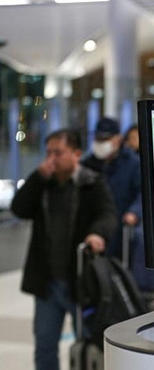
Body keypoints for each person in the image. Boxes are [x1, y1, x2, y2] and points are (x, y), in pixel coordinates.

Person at [10, 129, 116, 370]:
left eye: (58, 152)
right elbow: (19, 208)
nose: (51, 159)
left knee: (89, 341)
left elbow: (107, 214)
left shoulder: (91, 182)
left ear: (76, 154)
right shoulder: (42, 184)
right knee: (45, 344)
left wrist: (97, 234)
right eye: (48, 153)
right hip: (46, 282)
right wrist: (37, 178)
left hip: (80, 281)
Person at [81, 118, 143, 260]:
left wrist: (134, 213)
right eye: (98, 138)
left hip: (123, 232)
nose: (101, 143)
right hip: (94, 231)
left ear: (118, 139)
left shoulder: (133, 163)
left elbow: (143, 193)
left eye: (106, 139)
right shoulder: (88, 165)